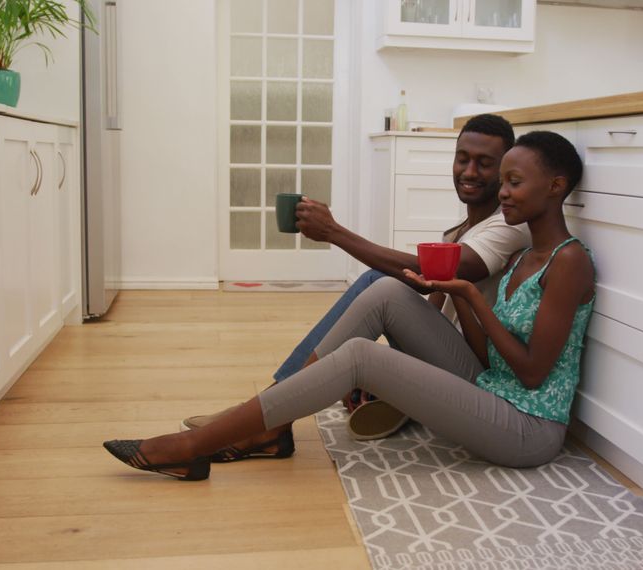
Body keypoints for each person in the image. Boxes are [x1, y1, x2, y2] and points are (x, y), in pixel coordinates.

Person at [103, 130, 595, 480]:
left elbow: (531, 375)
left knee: (363, 357)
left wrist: (468, 295)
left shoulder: (568, 262)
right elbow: (488, 360)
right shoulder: (522, 256)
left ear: (555, 187)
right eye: (504, 181)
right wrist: (461, 298)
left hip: (528, 429)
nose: (503, 193)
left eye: (513, 182)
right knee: (384, 290)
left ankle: (196, 447)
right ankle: (264, 424)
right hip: (492, 389)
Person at [177, 115, 530, 451]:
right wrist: (386, 369)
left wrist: (334, 232)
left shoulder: (510, 226)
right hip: (452, 356)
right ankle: (265, 409)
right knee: (380, 292)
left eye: (484, 163)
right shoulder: (460, 231)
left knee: (382, 283)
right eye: (462, 159)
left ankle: (264, 417)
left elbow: (436, 275)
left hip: (478, 381)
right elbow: (432, 306)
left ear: (504, 170)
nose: (469, 171)